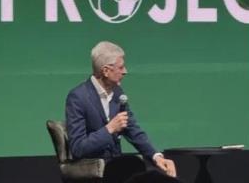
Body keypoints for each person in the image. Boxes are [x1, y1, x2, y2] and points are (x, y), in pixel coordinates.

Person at [65, 41, 176, 179]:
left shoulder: (117, 93)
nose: (125, 71)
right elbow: (78, 148)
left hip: (116, 167)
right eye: (121, 67)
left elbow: (133, 129)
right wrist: (109, 129)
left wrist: (156, 156)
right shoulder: (78, 97)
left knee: (138, 168)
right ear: (106, 71)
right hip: (93, 169)